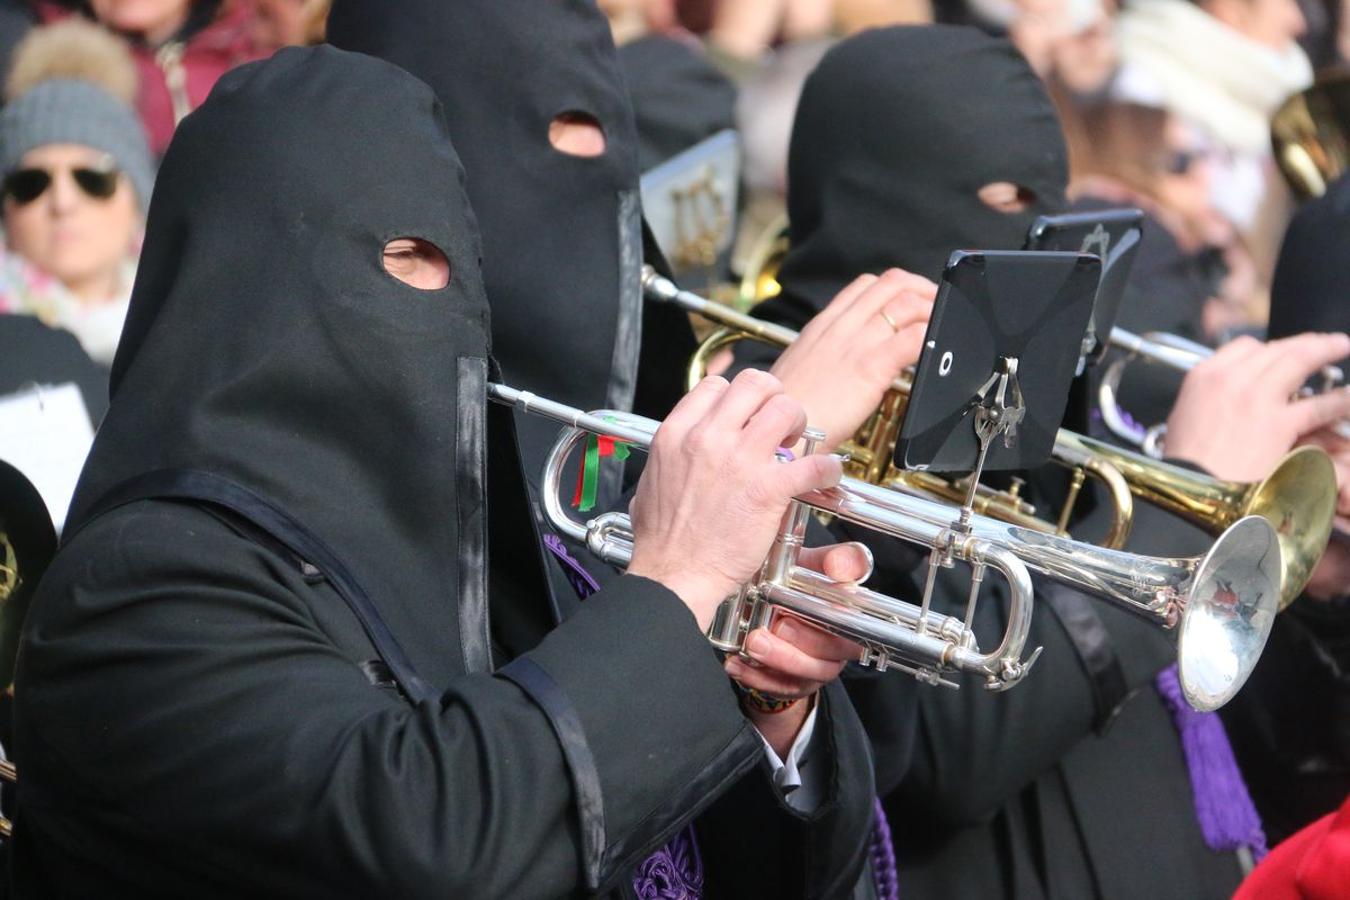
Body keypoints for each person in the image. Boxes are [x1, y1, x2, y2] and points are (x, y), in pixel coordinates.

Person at [11, 45, 887, 899]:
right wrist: (679, 579)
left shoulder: (475, 540)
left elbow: (668, 857)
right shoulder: (139, 588)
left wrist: (759, 702)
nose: (438, 302)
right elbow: (435, 847)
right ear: (250, 285)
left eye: (451, 268)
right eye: (396, 261)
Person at [326, 4, 927, 894]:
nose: (582, 172)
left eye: (600, 137)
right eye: (545, 135)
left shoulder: (623, 408)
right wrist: (764, 440)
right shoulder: (320, 496)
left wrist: (772, 705)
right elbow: (445, 830)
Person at [0, 19, 154, 367]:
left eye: (92, 178)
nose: (63, 203)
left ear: (137, 201)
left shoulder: (182, 321)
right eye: (31, 182)